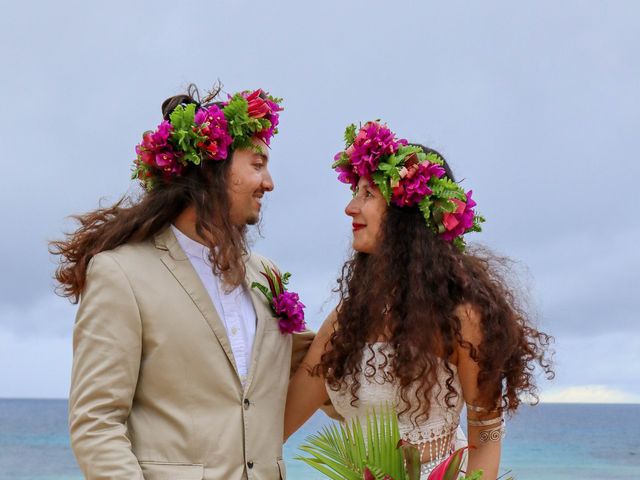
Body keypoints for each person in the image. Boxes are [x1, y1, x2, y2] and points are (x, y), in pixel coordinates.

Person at [51, 85, 312, 480]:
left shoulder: (266, 275)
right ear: (212, 170)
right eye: (257, 165)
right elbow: (97, 423)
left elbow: (317, 370)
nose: (269, 183)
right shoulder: (121, 274)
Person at [284, 121, 554, 479]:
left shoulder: (461, 317)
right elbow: (280, 421)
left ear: (404, 216)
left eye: (367, 194)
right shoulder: (347, 320)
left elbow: (486, 437)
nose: (351, 207)